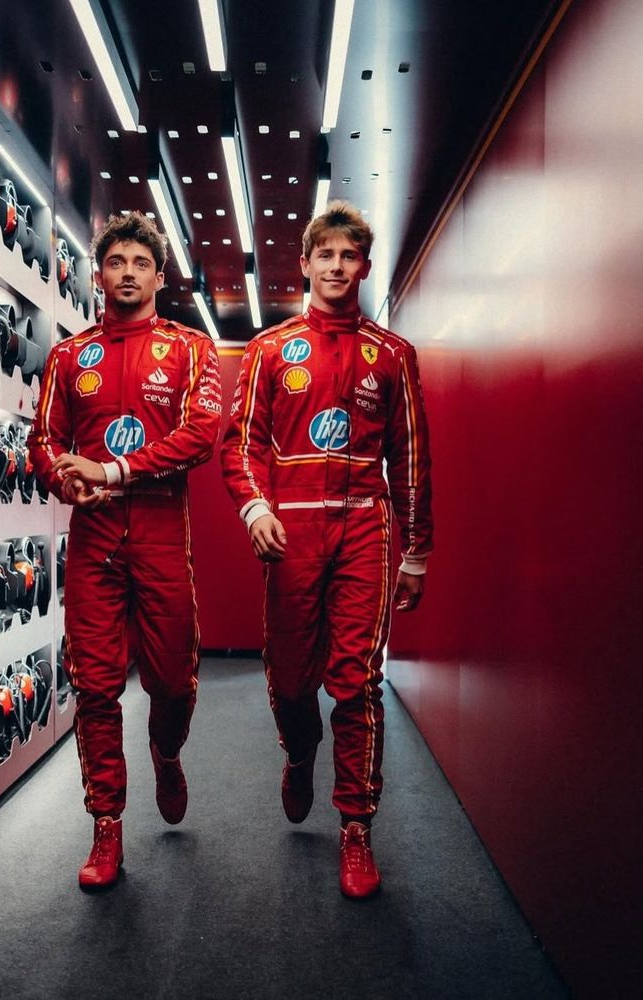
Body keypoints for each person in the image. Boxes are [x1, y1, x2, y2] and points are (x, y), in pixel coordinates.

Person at [221, 200, 432, 898]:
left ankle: (356, 827)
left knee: (357, 681)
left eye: (350, 256)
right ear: (305, 264)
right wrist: (255, 507)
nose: (338, 266)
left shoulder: (392, 354)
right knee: (290, 682)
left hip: (364, 528)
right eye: (327, 255)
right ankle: (300, 750)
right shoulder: (269, 349)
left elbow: (411, 459)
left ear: (363, 267)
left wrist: (416, 551)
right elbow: (240, 445)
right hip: (292, 533)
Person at [29, 211, 222, 889]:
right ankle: (105, 825)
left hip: (162, 530)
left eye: (141, 263)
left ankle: (166, 753)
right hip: (95, 539)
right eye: (116, 262)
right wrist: (65, 479)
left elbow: (202, 434)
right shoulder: (68, 356)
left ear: (160, 277)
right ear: (99, 274)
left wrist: (113, 470)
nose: (128, 273)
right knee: (95, 685)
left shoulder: (190, 348)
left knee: (172, 681)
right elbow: (43, 442)